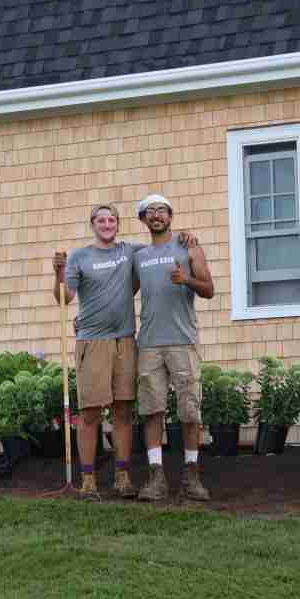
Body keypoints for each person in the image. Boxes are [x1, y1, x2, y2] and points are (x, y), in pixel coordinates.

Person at [52, 203, 194, 500]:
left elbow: (161, 245)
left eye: (112, 219)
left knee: (123, 411)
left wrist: (186, 237)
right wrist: (59, 274)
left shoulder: (131, 252)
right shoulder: (80, 256)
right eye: (101, 220)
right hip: (92, 342)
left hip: (126, 341)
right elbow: (64, 298)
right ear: (93, 224)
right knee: (90, 412)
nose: (107, 224)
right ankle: (88, 479)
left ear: (118, 224)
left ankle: (122, 476)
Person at [132, 194, 215, 502]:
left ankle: (192, 477)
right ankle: (156, 479)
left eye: (161, 210)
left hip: (183, 341)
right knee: (152, 410)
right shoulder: (138, 257)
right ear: (142, 219)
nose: (156, 215)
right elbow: (121, 293)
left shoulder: (188, 246)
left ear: (170, 216)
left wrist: (187, 279)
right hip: (149, 344)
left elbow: (209, 289)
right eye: (149, 211)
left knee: (189, 410)